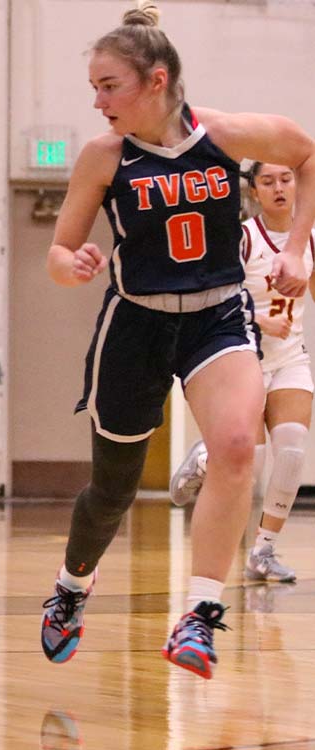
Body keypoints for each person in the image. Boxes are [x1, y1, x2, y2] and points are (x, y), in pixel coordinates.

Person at [38, 0, 315, 679]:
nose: (97, 100)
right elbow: (59, 245)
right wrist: (67, 265)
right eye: (95, 86)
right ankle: (73, 585)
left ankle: (200, 615)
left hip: (218, 316)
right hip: (135, 322)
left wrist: (299, 250)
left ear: (155, 80)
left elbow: (307, 155)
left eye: (109, 86)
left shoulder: (225, 134)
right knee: (114, 489)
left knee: (233, 447)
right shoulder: (104, 157)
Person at [169, 162, 314, 583]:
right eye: (268, 181)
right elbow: (211, 296)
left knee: (291, 449)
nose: (279, 188)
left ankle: (263, 552)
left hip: (290, 358)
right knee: (249, 459)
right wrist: (258, 318)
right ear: (254, 191)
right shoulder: (243, 238)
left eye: (286, 179)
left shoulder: (307, 240)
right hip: (242, 354)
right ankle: (206, 456)